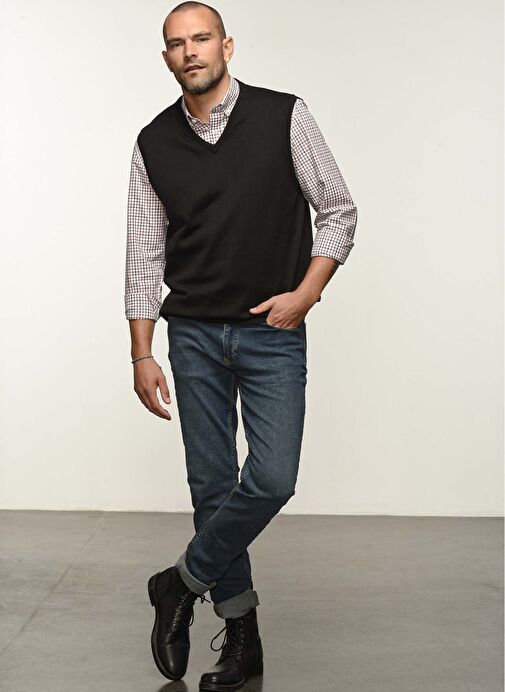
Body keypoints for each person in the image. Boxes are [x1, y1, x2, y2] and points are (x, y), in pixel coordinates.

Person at [124, 2, 358, 689]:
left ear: (226, 45)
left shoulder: (284, 115)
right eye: (177, 44)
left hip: (270, 330)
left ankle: (179, 582)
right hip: (192, 333)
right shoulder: (152, 142)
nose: (190, 51)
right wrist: (141, 352)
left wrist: (306, 293)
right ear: (166, 58)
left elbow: (338, 209)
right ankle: (242, 637)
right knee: (212, 484)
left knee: (272, 478)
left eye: (201, 38)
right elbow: (144, 252)